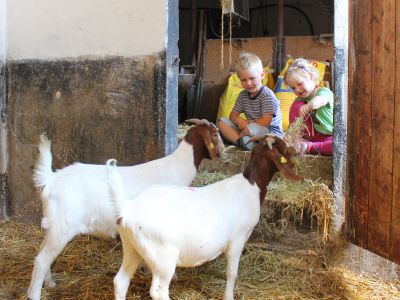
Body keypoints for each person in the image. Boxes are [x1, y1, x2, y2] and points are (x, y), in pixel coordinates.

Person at [217, 52, 283, 150]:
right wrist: (238, 120)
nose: (248, 83)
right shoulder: (243, 95)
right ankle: (240, 142)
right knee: (221, 122)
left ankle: (245, 141)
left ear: (262, 75)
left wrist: (248, 124)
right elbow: (232, 115)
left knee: (251, 129)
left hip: (269, 132)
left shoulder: (266, 95)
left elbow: (266, 121)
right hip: (249, 130)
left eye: (252, 78)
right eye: (243, 80)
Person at [284, 58, 333, 156]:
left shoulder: (323, 92)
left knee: (338, 146)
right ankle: (301, 143)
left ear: (311, 77)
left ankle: (310, 147)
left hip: (330, 136)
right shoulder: (299, 101)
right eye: (293, 88)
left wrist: (310, 105)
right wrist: (290, 136)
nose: (297, 89)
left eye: (299, 83)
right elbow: (294, 122)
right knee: (296, 105)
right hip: (312, 137)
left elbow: (320, 100)